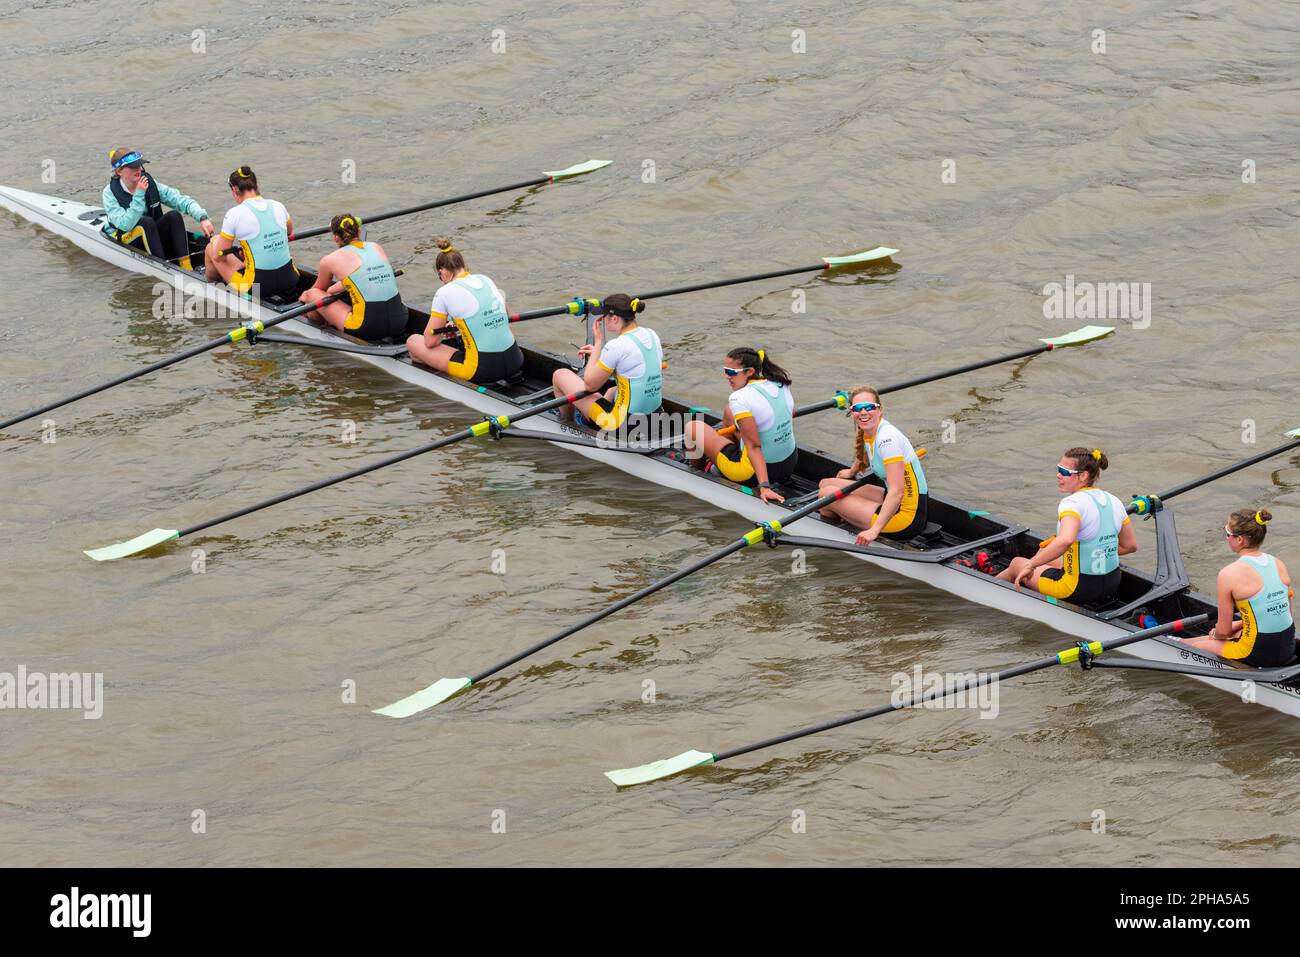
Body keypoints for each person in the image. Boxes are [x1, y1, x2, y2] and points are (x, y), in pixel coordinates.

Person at [997, 447, 1137, 604]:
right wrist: (1096, 550)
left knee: (1017, 563)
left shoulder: (1072, 503)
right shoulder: (1114, 501)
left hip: (1078, 588)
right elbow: (1130, 546)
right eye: (1058, 469)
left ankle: (989, 589)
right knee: (1043, 551)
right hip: (1112, 583)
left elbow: (1065, 540)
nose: (1058, 475)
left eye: (1064, 472)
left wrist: (1031, 565)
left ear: (1083, 476)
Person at [1181, 509, 1295, 667]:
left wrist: (1217, 634)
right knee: (1233, 633)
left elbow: (1224, 631)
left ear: (1240, 540)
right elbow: (1284, 613)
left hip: (1257, 652)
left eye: (1228, 533)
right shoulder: (1278, 563)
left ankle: (1176, 641)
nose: (1227, 538)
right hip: (1288, 644)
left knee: (1189, 646)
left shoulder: (1228, 574)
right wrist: (1238, 626)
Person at [682, 347, 796, 504]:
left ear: (750, 371)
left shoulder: (739, 397)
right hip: (788, 465)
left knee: (692, 427)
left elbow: (754, 447)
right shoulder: (780, 383)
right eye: (725, 371)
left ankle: (698, 471)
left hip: (751, 475)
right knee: (729, 412)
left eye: (731, 372)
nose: (727, 377)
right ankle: (720, 460)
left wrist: (764, 486)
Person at [817, 386, 928, 545]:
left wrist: (873, 531)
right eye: (857, 408)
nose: (863, 412)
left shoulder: (887, 439)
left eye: (869, 407)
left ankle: (836, 528)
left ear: (880, 409)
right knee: (826, 483)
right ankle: (845, 512)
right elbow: (866, 454)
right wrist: (852, 471)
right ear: (852, 412)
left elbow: (897, 492)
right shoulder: (872, 429)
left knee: (825, 495)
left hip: (907, 518)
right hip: (893, 498)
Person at [406, 239, 524, 384]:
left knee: (413, 343)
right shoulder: (485, 279)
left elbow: (430, 341)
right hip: (516, 359)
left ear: (442, 272)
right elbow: (504, 313)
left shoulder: (444, 292)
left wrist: (445, 331)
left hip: (482, 370)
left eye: (439, 276)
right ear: (465, 266)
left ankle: (446, 381)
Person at [551, 295, 663, 431]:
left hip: (622, 425)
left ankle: (568, 424)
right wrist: (601, 355)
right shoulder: (651, 334)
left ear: (614, 318)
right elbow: (631, 363)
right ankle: (591, 418)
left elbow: (589, 385)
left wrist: (598, 343)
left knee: (560, 375)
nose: (602, 319)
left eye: (604, 316)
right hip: (656, 417)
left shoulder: (616, 345)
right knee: (611, 391)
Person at [298, 213, 406, 341]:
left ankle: (319, 325)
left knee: (311, 294)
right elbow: (362, 278)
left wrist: (305, 296)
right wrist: (333, 290)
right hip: (401, 319)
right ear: (359, 231)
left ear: (336, 238)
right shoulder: (376, 247)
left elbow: (318, 291)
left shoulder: (329, 259)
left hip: (367, 327)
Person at [101, 148, 213, 270]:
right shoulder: (109, 193)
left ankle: (186, 265)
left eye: (139, 165)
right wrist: (139, 194)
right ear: (119, 171)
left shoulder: (150, 183)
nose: (139, 169)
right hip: (125, 236)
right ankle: (162, 267)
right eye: (133, 167)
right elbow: (125, 225)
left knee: (174, 216)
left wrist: (202, 218)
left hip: (149, 234)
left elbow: (179, 199)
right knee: (146, 222)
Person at [203, 167, 298, 299]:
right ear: (256, 185)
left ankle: (213, 291)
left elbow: (220, 256)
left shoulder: (234, 214)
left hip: (257, 288)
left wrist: (215, 242)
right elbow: (289, 232)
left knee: (211, 249)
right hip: (291, 279)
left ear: (235, 189)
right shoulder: (278, 205)